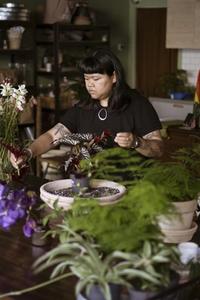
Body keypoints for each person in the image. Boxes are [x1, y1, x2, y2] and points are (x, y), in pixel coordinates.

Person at [10, 48, 163, 170]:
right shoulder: (83, 108)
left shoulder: (137, 105)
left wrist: (137, 142)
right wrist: (28, 153)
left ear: (114, 77)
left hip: (133, 189)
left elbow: (159, 149)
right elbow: (52, 137)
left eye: (96, 79)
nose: (90, 84)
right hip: (91, 184)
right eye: (86, 79)